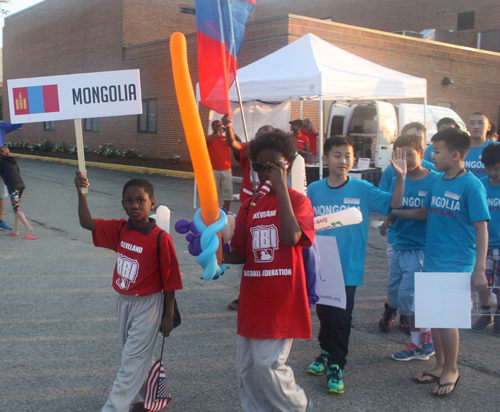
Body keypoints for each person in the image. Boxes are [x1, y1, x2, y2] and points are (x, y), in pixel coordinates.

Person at [390, 127, 489, 396]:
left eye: (437, 151)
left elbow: (481, 227)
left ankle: (452, 370)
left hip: (457, 262)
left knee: (447, 319)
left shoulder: (471, 185)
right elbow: (425, 212)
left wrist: (479, 267)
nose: (433, 155)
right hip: (433, 258)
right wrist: (394, 214)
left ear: (455, 155)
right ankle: (439, 365)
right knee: (435, 317)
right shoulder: (437, 180)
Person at [74, 173, 183, 412]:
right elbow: (87, 223)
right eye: (128, 201)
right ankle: (153, 397)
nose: (134, 206)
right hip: (124, 302)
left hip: (149, 305)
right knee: (135, 354)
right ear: (123, 203)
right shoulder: (120, 229)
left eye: (140, 200)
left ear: (151, 202)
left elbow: (171, 279)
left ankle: (114, 407)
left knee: (131, 360)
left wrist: (168, 314)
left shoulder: (160, 239)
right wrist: (81, 194)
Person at [223, 130, 315, 412]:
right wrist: (215, 253)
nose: (265, 172)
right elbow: (241, 252)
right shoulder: (249, 206)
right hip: (253, 298)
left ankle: (299, 407)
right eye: (260, 167)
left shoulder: (298, 201)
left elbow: (291, 238)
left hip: (281, 298)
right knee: (248, 371)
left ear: (286, 164)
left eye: (274, 165)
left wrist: (281, 188)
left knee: (269, 366)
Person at [307, 136, 406, 393]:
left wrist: (402, 178)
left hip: (348, 266)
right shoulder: (315, 189)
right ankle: (325, 352)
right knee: (325, 314)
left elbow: (394, 204)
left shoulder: (362, 189)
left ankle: (337, 364)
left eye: (348, 156)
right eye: (337, 155)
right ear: (325, 159)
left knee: (342, 316)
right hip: (321, 265)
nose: (343, 161)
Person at [379, 134, 439, 361]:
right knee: (398, 298)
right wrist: (389, 221)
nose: (406, 161)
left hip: (420, 248)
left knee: (411, 296)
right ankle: (416, 342)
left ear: (422, 154)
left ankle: (424, 340)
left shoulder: (433, 179)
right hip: (399, 246)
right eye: (400, 156)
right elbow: (394, 205)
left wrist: (394, 213)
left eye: (411, 155)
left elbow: (424, 214)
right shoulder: (397, 179)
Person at [223, 116, 275, 310]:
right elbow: (232, 143)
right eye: (259, 137)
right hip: (248, 209)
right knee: (243, 250)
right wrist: (228, 126)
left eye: (267, 137)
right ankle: (243, 294)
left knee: (266, 253)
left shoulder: (276, 159)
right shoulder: (249, 152)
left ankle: (267, 294)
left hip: (269, 210)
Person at [471, 143, 500, 335]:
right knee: (484, 282)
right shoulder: (480, 184)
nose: (492, 171)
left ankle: (498, 316)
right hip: (485, 245)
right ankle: (486, 312)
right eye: (488, 167)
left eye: (496, 167)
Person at [0, 146, 36, 239]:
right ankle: (16, 230)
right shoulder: (13, 160)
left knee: (16, 208)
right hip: (20, 185)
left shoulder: (1, 161)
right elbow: (18, 171)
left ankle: (28, 227)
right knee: (16, 207)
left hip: (13, 187)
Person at [0, 121, 23, 230]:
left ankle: (0, 221)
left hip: (1, 164)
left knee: (0, 195)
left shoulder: (1, 126)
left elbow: (18, 123)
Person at [206, 119, 233, 210]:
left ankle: (227, 209)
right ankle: (214, 209)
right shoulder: (209, 137)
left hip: (226, 170)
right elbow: (204, 142)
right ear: (212, 127)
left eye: (220, 126)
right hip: (213, 170)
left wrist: (229, 131)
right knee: (213, 192)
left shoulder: (226, 139)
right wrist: (215, 135)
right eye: (216, 126)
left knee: (228, 191)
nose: (218, 127)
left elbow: (237, 140)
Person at [465, 112, 499, 177]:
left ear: (489, 127)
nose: (476, 127)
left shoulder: (497, 148)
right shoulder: (458, 148)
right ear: (467, 127)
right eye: (472, 123)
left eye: (480, 123)